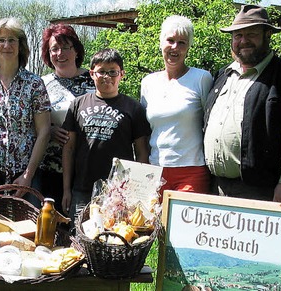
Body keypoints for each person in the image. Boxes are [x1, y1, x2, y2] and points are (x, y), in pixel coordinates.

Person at [204, 4, 281, 203]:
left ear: (267, 35)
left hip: (260, 190)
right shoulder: (223, 75)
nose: (243, 40)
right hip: (215, 187)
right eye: (238, 35)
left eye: (252, 34)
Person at [62, 48, 151, 223]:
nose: (107, 77)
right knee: (77, 240)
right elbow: (69, 148)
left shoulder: (134, 108)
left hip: (118, 192)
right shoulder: (78, 104)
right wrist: (66, 189)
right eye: (101, 71)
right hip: (82, 189)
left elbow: (142, 153)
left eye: (113, 72)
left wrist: (138, 193)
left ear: (121, 74)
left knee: (114, 240)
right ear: (92, 74)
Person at [0, 17, 51, 201]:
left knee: (28, 227)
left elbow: (44, 131)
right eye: (1, 40)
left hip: (25, 170)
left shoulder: (34, 83)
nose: (6, 45)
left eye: (12, 40)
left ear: (20, 45)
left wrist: (28, 175)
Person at [140, 15, 213, 197]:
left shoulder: (202, 78)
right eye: (170, 40)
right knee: (151, 225)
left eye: (182, 42)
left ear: (188, 47)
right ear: (160, 43)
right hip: (155, 170)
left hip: (192, 170)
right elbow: (144, 129)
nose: (175, 47)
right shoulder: (148, 82)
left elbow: (210, 123)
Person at [39, 24, 95, 214]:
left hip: (87, 168)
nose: (59, 53)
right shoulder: (41, 84)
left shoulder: (95, 79)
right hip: (50, 169)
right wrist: (49, 130)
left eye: (65, 47)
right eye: (54, 49)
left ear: (76, 50)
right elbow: (30, 121)